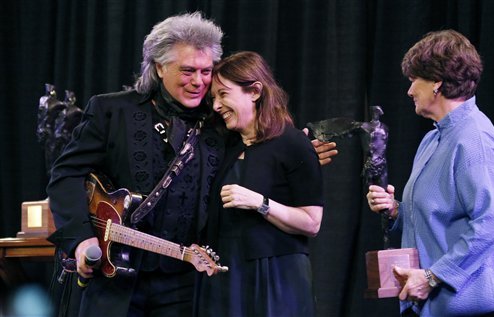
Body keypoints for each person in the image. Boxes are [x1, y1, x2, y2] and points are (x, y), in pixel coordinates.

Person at [46, 12, 336, 317]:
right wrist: (80, 240)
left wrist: (297, 153)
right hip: (114, 275)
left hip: (187, 282)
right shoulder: (111, 111)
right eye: (187, 71)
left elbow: (262, 146)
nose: (198, 81)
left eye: (206, 71)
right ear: (160, 67)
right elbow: (66, 174)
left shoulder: (219, 121)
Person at [366, 29, 494, 316]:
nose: (409, 91)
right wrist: (396, 210)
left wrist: (433, 276)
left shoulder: (476, 141)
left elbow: (491, 222)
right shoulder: (433, 139)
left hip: (470, 306)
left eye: (414, 81)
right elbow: (440, 214)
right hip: (430, 304)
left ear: (437, 82)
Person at [195, 51, 324, 316]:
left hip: (275, 275)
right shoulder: (227, 146)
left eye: (223, 94)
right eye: (213, 98)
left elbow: (312, 223)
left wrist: (260, 203)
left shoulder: (293, 143)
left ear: (254, 91)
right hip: (228, 273)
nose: (216, 105)